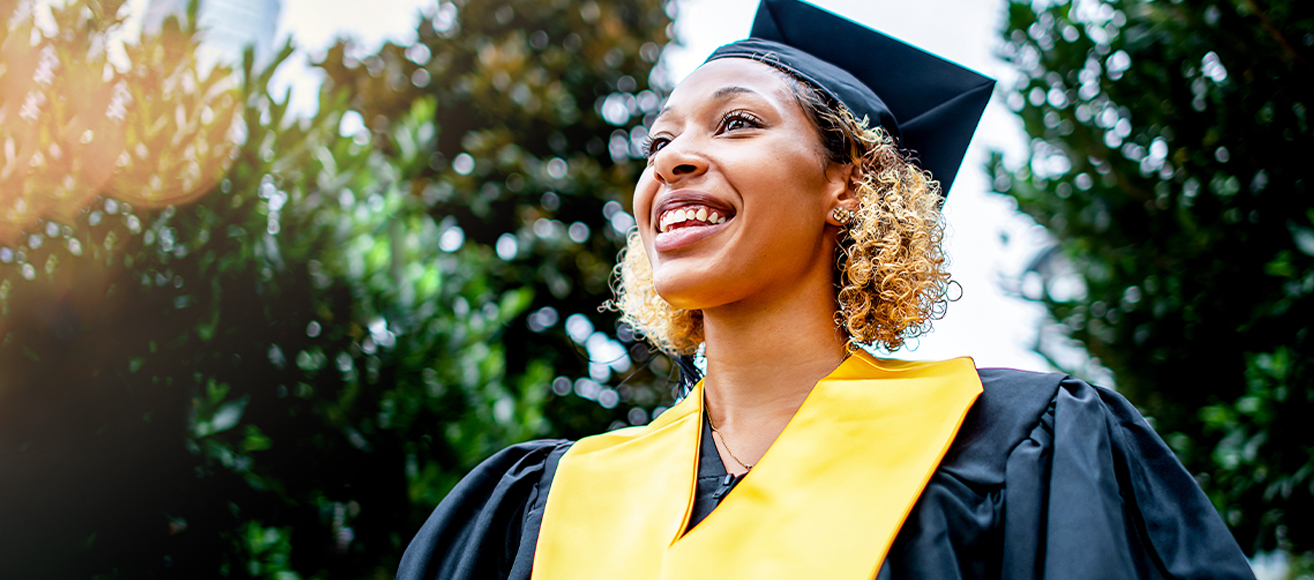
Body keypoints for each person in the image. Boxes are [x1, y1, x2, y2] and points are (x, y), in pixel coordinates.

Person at [397, 1, 1256, 579]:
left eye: (737, 122)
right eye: (658, 143)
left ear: (849, 185)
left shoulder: (1018, 447)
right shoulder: (538, 505)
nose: (671, 161)